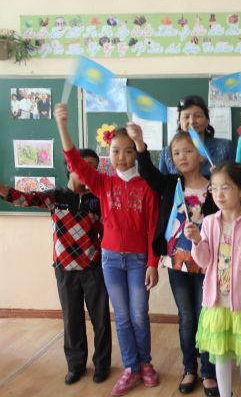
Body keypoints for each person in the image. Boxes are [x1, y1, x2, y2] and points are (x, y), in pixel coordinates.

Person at [54, 103, 160, 396]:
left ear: (137, 153)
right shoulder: (102, 183)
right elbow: (75, 161)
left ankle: (145, 363)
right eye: (115, 151)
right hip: (111, 261)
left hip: (139, 261)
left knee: (139, 315)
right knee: (122, 318)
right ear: (108, 154)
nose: (122, 157)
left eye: (128, 151)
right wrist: (62, 125)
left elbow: (154, 228)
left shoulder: (147, 186)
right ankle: (131, 367)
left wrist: (153, 263)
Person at [0, 149, 111, 386]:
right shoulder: (55, 196)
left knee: (100, 320)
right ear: (70, 166)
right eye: (84, 165)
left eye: (94, 167)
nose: (89, 170)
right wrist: (2, 189)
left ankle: (102, 365)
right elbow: (23, 199)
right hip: (64, 269)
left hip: (93, 268)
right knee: (71, 320)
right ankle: (76, 365)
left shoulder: (98, 199)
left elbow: (107, 232)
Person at [127, 127, 220, 396]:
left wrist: (221, 181)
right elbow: (147, 173)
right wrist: (139, 143)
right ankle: (189, 368)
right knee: (187, 317)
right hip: (177, 262)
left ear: (200, 155)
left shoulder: (213, 186)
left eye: (188, 151)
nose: (182, 156)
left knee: (206, 316)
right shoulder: (170, 184)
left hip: (207, 262)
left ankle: (209, 372)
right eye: (176, 153)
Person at [185, 162, 241, 397]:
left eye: (226, 188)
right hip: (216, 303)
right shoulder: (210, 221)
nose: (219, 194)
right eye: (214, 188)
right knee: (220, 355)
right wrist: (197, 241)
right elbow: (204, 260)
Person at [159, 95, 234, 177]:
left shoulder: (225, 147)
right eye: (186, 117)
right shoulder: (167, 152)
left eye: (198, 116)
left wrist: (222, 177)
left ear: (207, 121)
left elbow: (236, 178)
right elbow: (161, 183)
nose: (192, 121)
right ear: (179, 122)